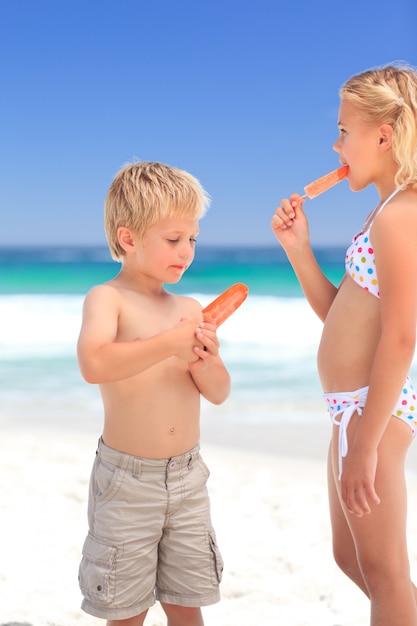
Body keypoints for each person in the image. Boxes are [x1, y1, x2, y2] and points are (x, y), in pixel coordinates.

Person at [271, 64, 417, 625]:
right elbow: (341, 318)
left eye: (343, 130)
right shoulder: (381, 212)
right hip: (351, 409)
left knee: (384, 571)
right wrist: (297, 249)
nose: (336, 145)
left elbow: (402, 337)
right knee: (354, 560)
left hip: (371, 411)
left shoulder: (402, 216)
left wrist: (365, 444)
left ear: (382, 135)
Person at [77, 161, 231, 626]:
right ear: (129, 239)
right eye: (173, 239)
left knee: (188, 600)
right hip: (128, 482)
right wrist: (168, 343)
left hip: (187, 478)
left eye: (192, 239)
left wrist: (206, 360)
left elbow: (219, 393)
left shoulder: (188, 308)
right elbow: (94, 363)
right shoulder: (108, 299)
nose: (186, 251)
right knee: (126, 607)